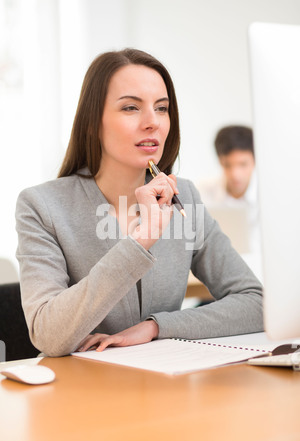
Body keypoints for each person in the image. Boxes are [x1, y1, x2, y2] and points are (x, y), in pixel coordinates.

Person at [15, 49, 263, 358]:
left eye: (162, 108)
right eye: (131, 108)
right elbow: (49, 335)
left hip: (163, 384)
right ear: (93, 122)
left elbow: (255, 301)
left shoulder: (183, 195)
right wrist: (142, 238)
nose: (152, 122)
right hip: (80, 391)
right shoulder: (41, 206)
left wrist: (155, 327)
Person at [198, 126, 260, 256]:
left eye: (243, 164)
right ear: (220, 161)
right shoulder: (202, 191)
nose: (235, 174)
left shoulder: (268, 196)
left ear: (255, 161)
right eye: (227, 165)